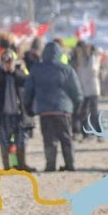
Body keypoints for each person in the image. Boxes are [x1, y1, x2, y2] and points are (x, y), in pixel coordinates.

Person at [24, 41, 84, 172]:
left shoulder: (36, 69)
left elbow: (28, 91)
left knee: (49, 139)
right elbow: (76, 92)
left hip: (45, 111)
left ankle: (50, 165)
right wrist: (77, 107)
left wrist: (28, 107)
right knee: (66, 138)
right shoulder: (67, 70)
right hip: (63, 111)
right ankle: (70, 164)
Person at [0, 49, 37, 172]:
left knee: (21, 140)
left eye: (9, 60)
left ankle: (21, 164)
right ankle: (7, 166)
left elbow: (26, 81)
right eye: (5, 60)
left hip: (19, 113)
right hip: (2, 114)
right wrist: (4, 71)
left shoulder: (20, 70)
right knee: (4, 141)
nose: (7, 62)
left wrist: (13, 71)